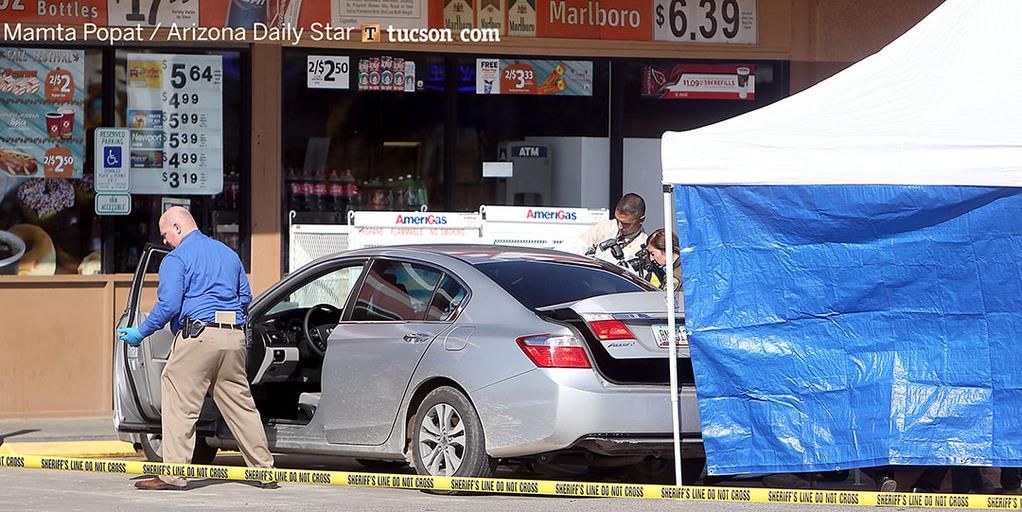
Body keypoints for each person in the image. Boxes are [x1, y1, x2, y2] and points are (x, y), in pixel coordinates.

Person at [117, 207, 276, 491]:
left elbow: (168, 305)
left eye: (165, 234)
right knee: (240, 405)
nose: (165, 241)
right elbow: (245, 297)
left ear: (177, 227)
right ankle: (264, 470)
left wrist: (141, 332)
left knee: (178, 399)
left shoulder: (176, 259)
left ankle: (174, 474)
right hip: (233, 337)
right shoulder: (228, 254)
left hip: (198, 336)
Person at [571, 193, 648, 265]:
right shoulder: (605, 226)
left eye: (626, 224)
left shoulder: (644, 246)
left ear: (641, 220)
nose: (620, 226)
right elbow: (578, 246)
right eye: (617, 220)